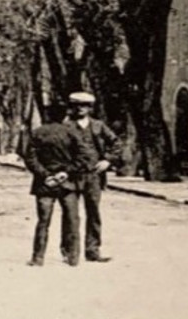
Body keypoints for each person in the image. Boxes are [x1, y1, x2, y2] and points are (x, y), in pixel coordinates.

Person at [23, 103, 84, 266]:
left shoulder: (37, 133)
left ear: (46, 116)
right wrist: (66, 172)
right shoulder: (73, 133)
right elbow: (83, 157)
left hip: (45, 184)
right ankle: (72, 257)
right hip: (68, 183)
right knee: (72, 220)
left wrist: (45, 175)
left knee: (43, 221)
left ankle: (38, 257)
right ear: (65, 116)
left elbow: (30, 158)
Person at [67, 91, 122, 262]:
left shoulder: (98, 126)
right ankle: (69, 251)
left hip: (93, 176)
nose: (81, 109)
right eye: (77, 105)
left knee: (93, 213)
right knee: (70, 214)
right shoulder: (65, 126)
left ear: (90, 108)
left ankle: (93, 250)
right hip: (71, 176)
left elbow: (116, 143)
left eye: (84, 106)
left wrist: (107, 160)